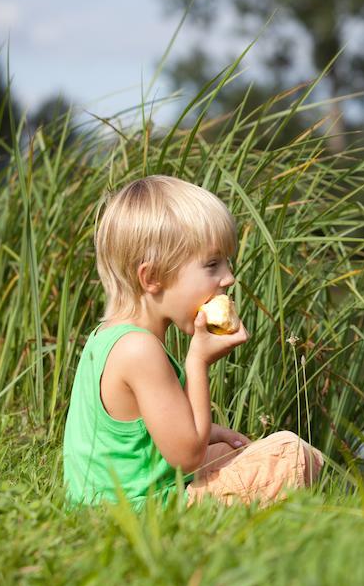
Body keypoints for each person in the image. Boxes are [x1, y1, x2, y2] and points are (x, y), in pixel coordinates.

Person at [62, 175, 323, 509]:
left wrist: (212, 431)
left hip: (121, 496)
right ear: (152, 277)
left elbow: (147, 435)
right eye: (212, 264)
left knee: (231, 451)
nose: (229, 277)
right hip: (139, 509)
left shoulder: (108, 338)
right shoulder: (139, 349)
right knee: (290, 453)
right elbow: (186, 457)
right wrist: (198, 362)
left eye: (226, 263)